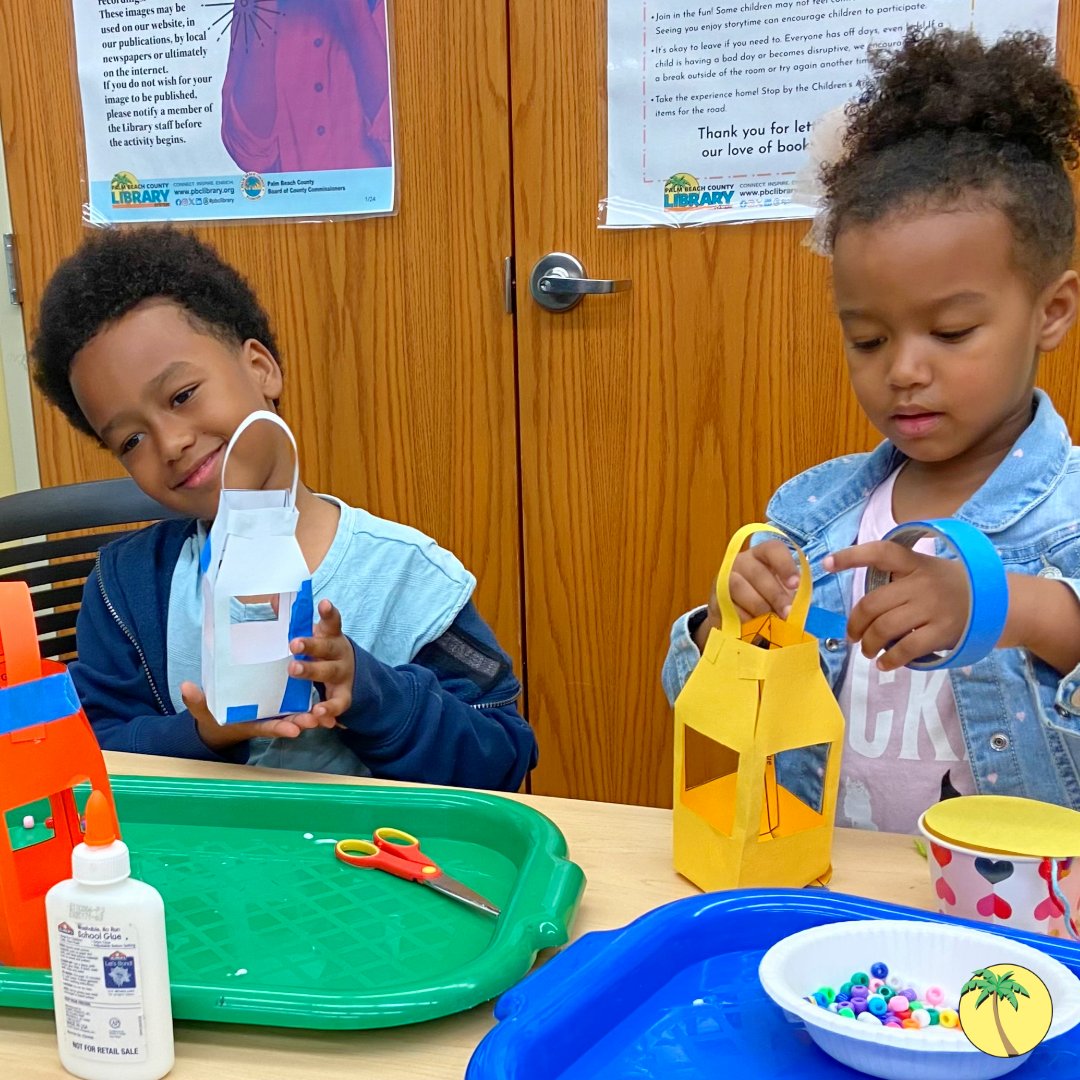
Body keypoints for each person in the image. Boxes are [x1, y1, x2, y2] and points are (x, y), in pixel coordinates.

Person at [663, 29, 1080, 830]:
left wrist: (1010, 609)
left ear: (1050, 312)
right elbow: (702, 704)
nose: (904, 371)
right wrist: (728, 622)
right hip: (833, 892)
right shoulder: (815, 513)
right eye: (868, 339)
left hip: (1020, 917)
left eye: (951, 333)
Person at [31, 226, 535, 790]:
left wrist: (369, 692)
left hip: (377, 863)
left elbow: (502, 757)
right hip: (207, 865)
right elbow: (92, 754)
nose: (169, 443)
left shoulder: (406, 577)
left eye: (182, 396)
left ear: (260, 369)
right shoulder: (128, 589)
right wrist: (200, 737)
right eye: (130, 440)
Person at [219, 0, 392, 174]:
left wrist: (355, 12)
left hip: (377, 197)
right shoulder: (255, 7)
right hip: (292, 197)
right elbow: (250, 154)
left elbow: (401, 140)